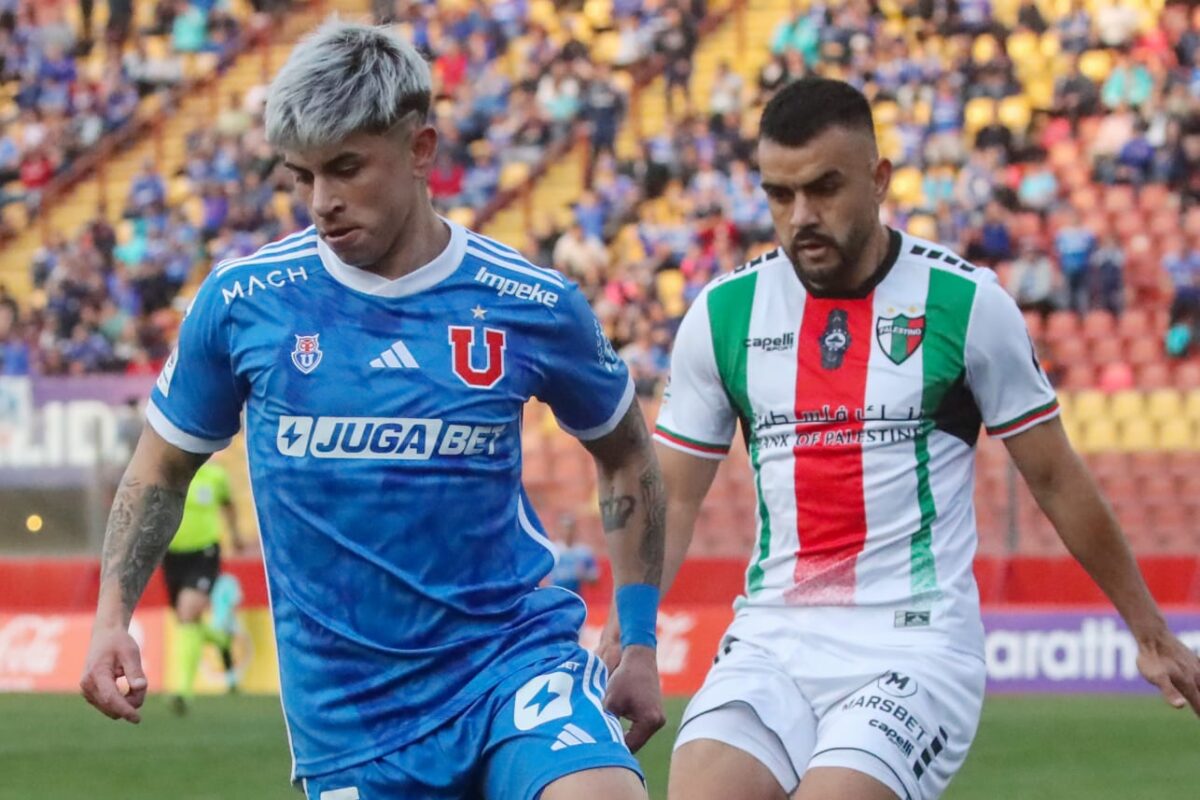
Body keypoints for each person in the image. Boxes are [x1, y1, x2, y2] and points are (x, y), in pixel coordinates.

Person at [80, 21, 665, 800]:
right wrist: (112, 616)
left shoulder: (529, 302)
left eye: (347, 168)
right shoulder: (244, 304)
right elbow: (162, 466)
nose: (322, 202)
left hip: (512, 665)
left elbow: (626, 451)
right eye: (303, 177)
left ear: (421, 149)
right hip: (352, 720)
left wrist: (638, 636)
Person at [604, 77, 1200, 800]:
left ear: (879, 179)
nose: (801, 216)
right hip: (774, 637)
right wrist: (631, 630)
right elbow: (675, 495)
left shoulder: (966, 306)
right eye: (779, 195)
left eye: (824, 188)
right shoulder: (725, 315)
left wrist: (1149, 631)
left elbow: (1055, 479)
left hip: (915, 643)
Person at [162, 458, 247, 713]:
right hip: (172, 555)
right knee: (187, 620)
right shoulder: (170, 474)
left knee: (187, 613)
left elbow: (228, 505)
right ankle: (221, 639)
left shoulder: (215, 477)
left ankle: (182, 692)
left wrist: (235, 535)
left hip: (204, 553)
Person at [548, 513, 600, 595]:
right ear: (559, 529)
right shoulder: (553, 551)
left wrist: (584, 575)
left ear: (575, 529)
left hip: (576, 598)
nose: (567, 531)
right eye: (564, 528)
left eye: (570, 528)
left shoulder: (584, 552)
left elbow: (595, 577)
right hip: (557, 598)